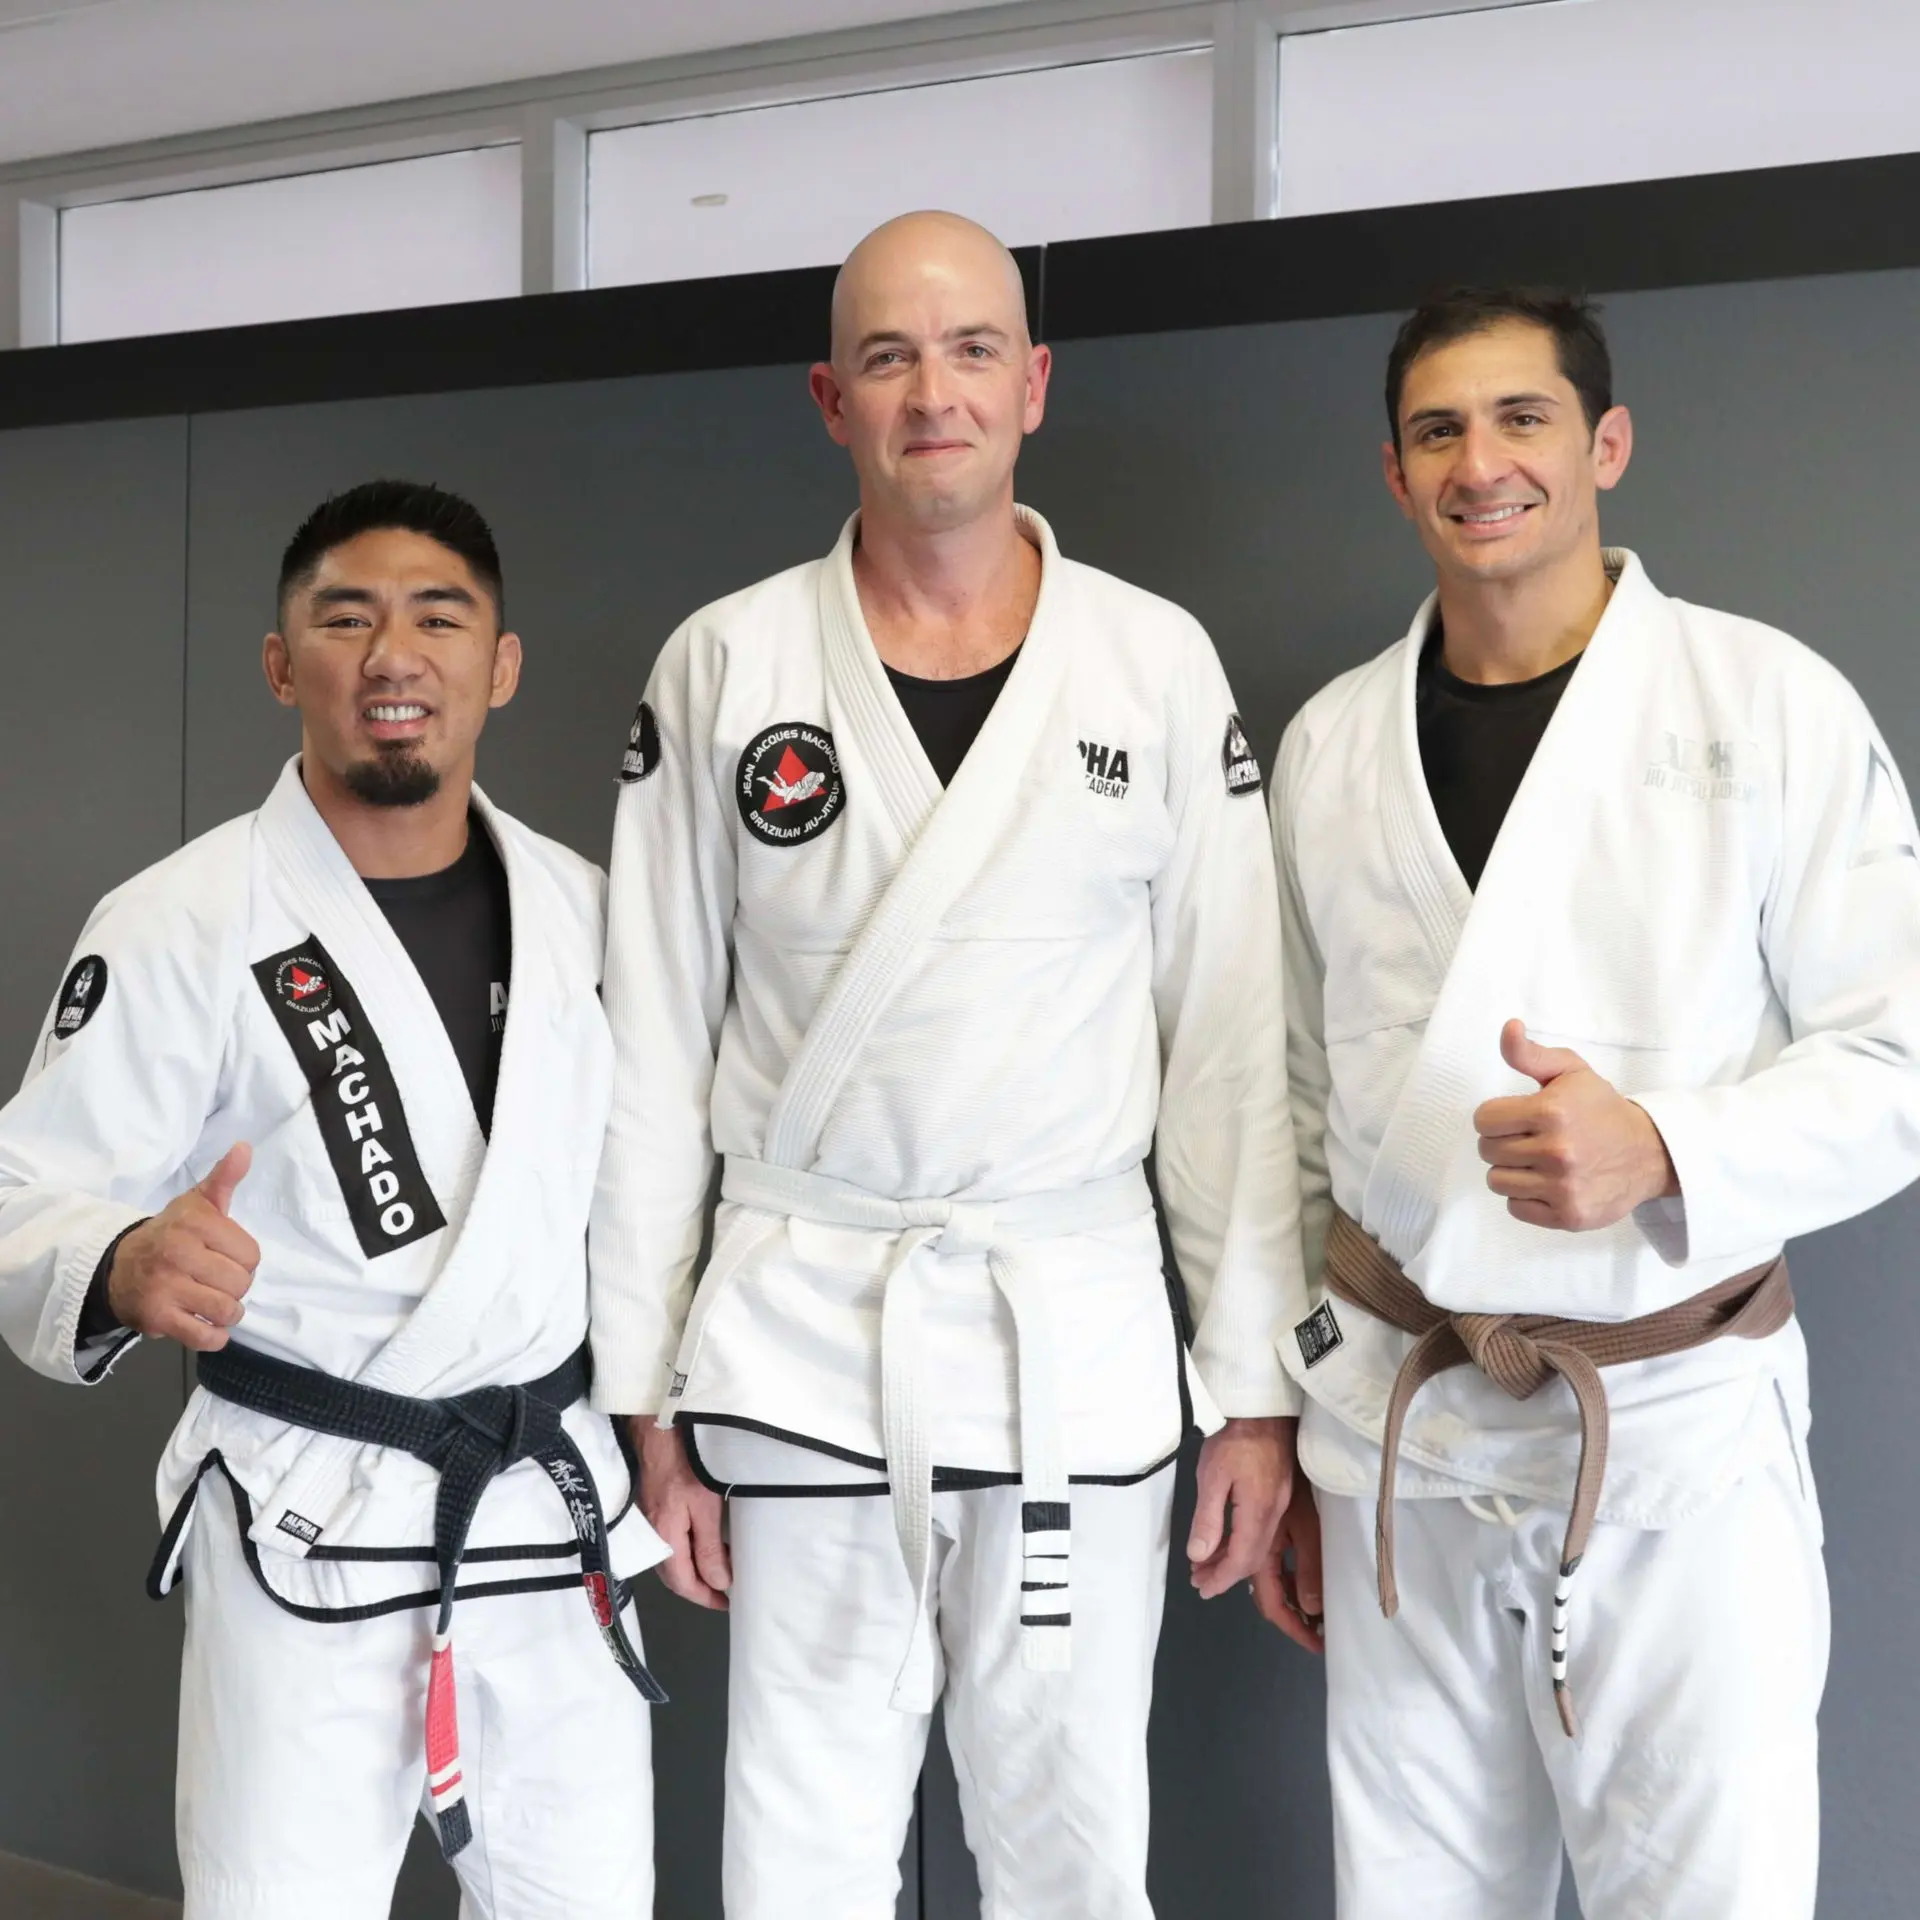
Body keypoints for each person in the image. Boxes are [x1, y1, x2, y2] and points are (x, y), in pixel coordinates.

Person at [590, 210, 1315, 1920]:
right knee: (802, 1847)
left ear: (1036, 384)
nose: (938, 393)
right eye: (894, 357)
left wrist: (1255, 1389)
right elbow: (649, 1039)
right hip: (793, 1341)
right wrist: (644, 1397)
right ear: (829, 397)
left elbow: (1226, 1053)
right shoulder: (725, 664)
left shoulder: (1152, 659)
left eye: (975, 349)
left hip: (1074, 1338)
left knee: (1071, 1844)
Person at [1266, 286, 1920, 1917]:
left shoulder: (1767, 704)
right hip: (1400, 1433)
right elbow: (1283, 1101)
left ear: (1606, 443)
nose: (1481, 462)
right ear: (1395, 475)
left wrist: (1672, 1147)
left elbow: (1897, 1055)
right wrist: (1279, 1411)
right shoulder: (1333, 745)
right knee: (1410, 1897)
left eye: (1523, 418)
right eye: (1438, 431)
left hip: (1676, 1435)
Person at [0, 480, 666, 1917]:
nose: (391, 656)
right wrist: (123, 1262)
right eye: (344, 618)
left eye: (439, 617)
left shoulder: (588, 912)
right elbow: (24, 1188)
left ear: (500, 667)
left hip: (549, 1521)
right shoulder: (182, 919)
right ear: (279, 662)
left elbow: (654, 1202)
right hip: (308, 1509)